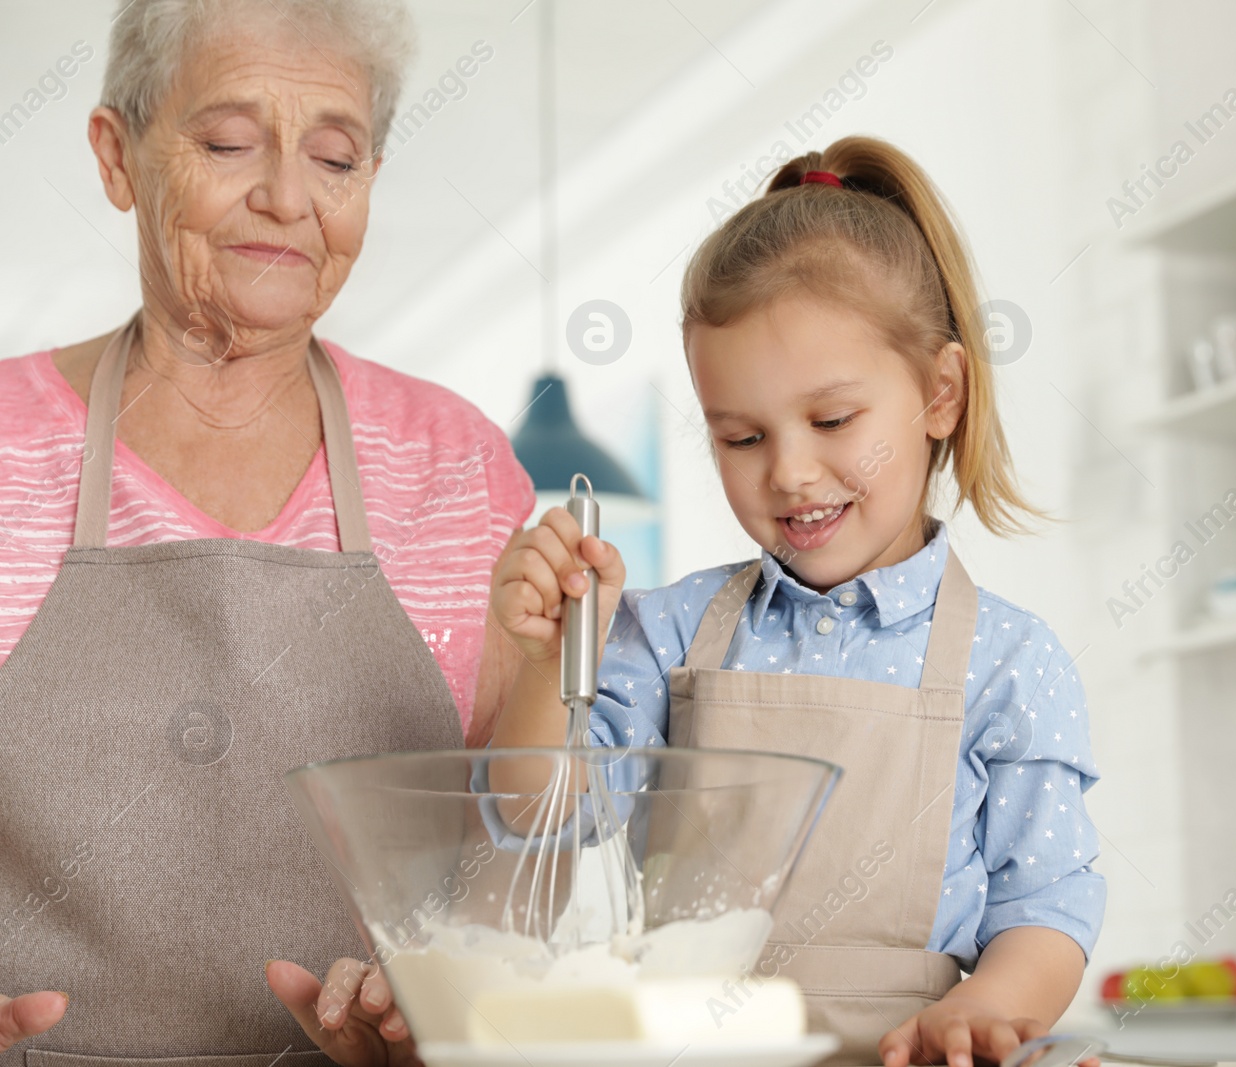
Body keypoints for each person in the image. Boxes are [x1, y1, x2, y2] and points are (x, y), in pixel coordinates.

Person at [488, 136, 1106, 1067]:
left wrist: (983, 1011)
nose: (789, 471)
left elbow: (1048, 908)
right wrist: (545, 668)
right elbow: (543, 817)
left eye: (831, 421)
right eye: (741, 437)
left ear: (939, 394)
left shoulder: (1012, 664)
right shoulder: (670, 636)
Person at [0, 1, 538, 1063]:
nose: (286, 196)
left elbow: (535, 852)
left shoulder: (458, 466)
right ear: (117, 157)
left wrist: (452, 1007)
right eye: (229, 143)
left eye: (333, 158)